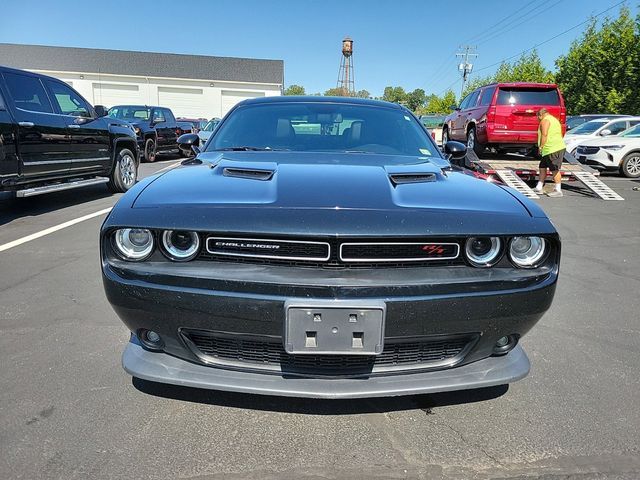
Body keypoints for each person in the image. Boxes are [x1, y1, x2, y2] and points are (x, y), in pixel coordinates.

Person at [534, 108, 566, 197]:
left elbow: (544, 134)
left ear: (540, 115)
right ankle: (539, 187)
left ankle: (558, 190)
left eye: (538, 117)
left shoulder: (545, 120)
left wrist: (541, 146)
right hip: (549, 149)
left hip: (552, 148)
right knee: (542, 166)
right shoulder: (554, 119)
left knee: (554, 169)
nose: (538, 119)